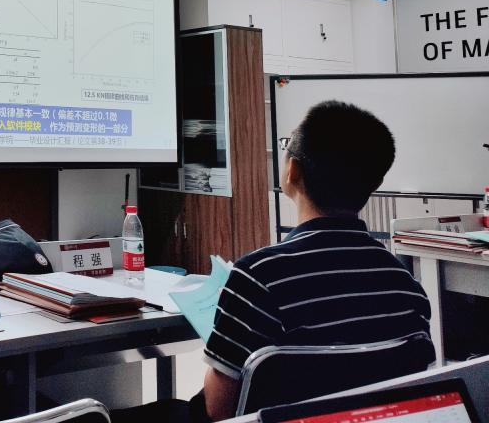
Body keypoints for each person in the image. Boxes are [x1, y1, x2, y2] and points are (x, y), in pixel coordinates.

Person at [115, 100, 432, 423]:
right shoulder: (406, 285)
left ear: (292, 171)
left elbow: (218, 409)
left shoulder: (258, 276)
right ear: (373, 184)